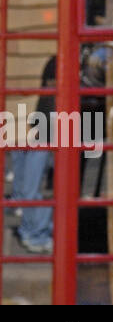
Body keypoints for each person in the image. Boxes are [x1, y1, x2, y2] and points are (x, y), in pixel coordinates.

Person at [9, 56, 56, 254]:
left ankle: (33, 227)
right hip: (40, 130)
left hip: (29, 126)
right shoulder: (57, 62)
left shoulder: (52, 61)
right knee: (31, 188)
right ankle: (34, 233)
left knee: (28, 185)